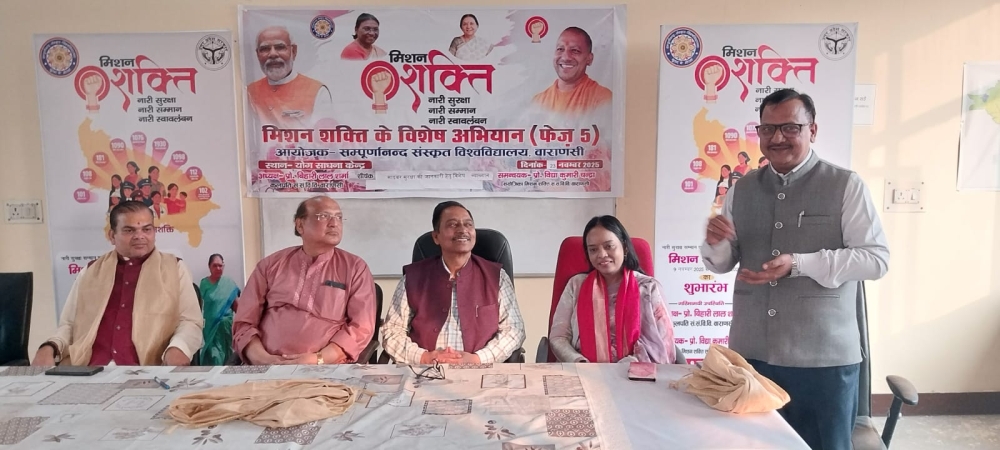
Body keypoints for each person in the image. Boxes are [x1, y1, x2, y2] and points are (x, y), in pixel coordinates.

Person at [700, 88, 889, 450]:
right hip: (752, 356)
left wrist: (800, 264)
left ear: (812, 130)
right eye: (768, 129)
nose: (777, 138)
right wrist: (715, 242)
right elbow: (723, 263)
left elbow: (876, 259)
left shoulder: (844, 185)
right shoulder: (743, 188)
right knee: (752, 445)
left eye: (790, 128)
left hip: (823, 361)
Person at [31, 201, 203, 366]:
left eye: (146, 229)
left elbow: (190, 322)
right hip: (87, 369)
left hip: (148, 370)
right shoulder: (90, 272)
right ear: (112, 236)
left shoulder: (174, 268)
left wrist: (178, 348)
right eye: (129, 230)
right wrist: (51, 346)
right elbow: (69, 325)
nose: (139, 236)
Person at [233, 196, 376, 365]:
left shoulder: (355, 268)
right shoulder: (270, 265)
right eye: (324, 216)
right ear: (300, 225)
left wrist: (318, 359)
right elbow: (244, 323)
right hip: (266, 366)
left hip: (326, 367)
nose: (334, 223)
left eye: (338, 217)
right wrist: (262, 358)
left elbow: (361, 327)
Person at [382, 201, 525, 365]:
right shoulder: (412, 278)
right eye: (452, 224)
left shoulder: (496, 277)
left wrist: (477, 359)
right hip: (424, 371)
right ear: (436, 237)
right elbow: (392, 331)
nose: (463, 230)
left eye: (468, 224)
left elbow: (514, 330)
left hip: (480, 371)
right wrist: (425, 357)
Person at [550, 216, 675, 364]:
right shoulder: (576, 285)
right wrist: (578, 362)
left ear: (625, 247)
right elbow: (559, 337)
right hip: (580, 370)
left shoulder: (648, 288)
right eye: (593, 249)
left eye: (609, 246)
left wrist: (622, 368)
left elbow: (663, 345)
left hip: (634, 373)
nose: (602, 255)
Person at [246, 26, 333, 129]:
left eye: (280, 47)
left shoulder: (316, 91)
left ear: (293, 51)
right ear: (258, 55)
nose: (272, 54)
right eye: (265, 49)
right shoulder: (250, 92)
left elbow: (325, 135)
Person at [532, 27, 612, 114]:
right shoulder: (538, 101)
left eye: (575, 50)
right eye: (560, 49)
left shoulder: (603, 98)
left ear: (589, 59)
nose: (565, 57)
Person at [199, 254, 241, 366]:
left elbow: (237, 307)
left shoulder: (229, 284)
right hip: (210, 329)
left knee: (226, 357)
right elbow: (199, 305)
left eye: (220, 265)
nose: (218, 268)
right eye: (215, 265)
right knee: (214, 356)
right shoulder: (204, 284)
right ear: (209, 267)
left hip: (226, 330)